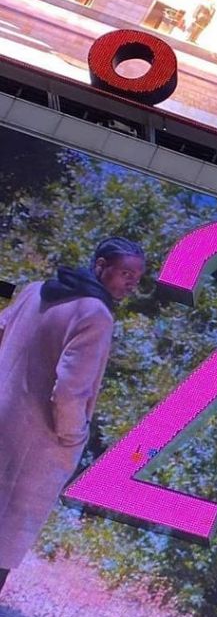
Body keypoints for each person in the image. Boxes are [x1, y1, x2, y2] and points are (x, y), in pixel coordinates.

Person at [0, 236, 146, 592]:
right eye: (126, 273)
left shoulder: (35, 291)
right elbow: (69, 391)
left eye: (137, 278)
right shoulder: (95, 314)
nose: (131, 283)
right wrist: (73, 436)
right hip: (32, 447)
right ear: (100, 266)